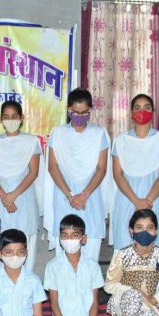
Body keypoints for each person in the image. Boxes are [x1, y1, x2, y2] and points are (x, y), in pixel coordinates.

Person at [45, 88, 110, 262]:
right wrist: (70, 195)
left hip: (90, 198)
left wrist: (84, 195)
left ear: (90, 110)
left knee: (90, 253)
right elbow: (52, 167)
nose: (80, 116)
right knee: (64, 254)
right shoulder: (58, 133)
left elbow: (101, 168)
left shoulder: (99, 133)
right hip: (64, 197)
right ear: (68, 110)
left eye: (84, 113)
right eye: (76, 112)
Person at [44, 214, 105, 316]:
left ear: (83, 239)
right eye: (64, 235)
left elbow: (94, 303)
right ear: (60, 239)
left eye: (74, 235)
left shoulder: (92, 266)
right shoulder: (53, 266)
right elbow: (54, 305)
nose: (69, 240)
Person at [111, 94, 159, 251]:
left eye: (147, 108)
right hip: (128, 199)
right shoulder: (120, 140)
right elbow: (118, 174)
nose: (142, 112)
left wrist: (147, 202)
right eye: (137, 108)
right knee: (125, 246)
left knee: (156, 248)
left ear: (153, 111)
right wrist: (137, 202)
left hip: (154, 200)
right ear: (131, 113)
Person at [0, 101, 42, 270]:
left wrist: (12, 196)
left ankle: (25, 283)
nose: (10, 120)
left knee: (25, 242)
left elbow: (33, 172)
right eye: (6, 117)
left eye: (14, 117)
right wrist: (5, 198)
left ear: (21, 118)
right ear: (1, 120)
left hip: (23, 200)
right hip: (0, 200)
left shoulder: (31, 141)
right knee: (1, 242)